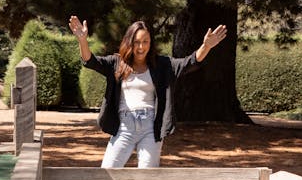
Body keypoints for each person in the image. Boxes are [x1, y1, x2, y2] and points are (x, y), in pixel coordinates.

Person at [68, 15, 228, 168]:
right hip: (124, 126)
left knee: (147, 177)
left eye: (145, 42)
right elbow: (90, 61)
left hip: (151, 127)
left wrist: (206, 46)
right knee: (107, 171)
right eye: (137, 42)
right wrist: (82, 40)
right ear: (129, 42)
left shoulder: (163, 65)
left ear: (151, 43)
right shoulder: (117, 63)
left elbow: (190, 62)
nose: (141, 47)